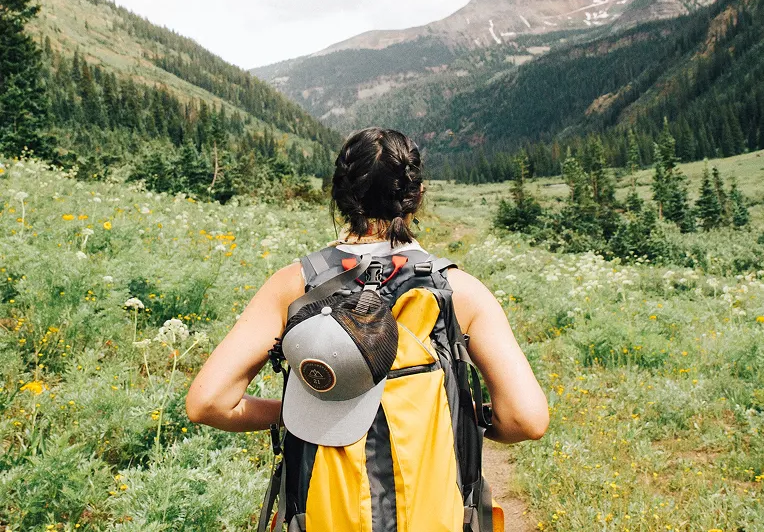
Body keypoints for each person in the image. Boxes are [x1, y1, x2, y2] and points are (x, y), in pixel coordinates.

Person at [185, 127, 549, 525]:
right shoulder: (459, 291)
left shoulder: (295, 285)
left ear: (340, 195)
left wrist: (291, 413)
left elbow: (208, 402)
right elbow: (526, 419)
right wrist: (463, 417)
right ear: (417, 195)